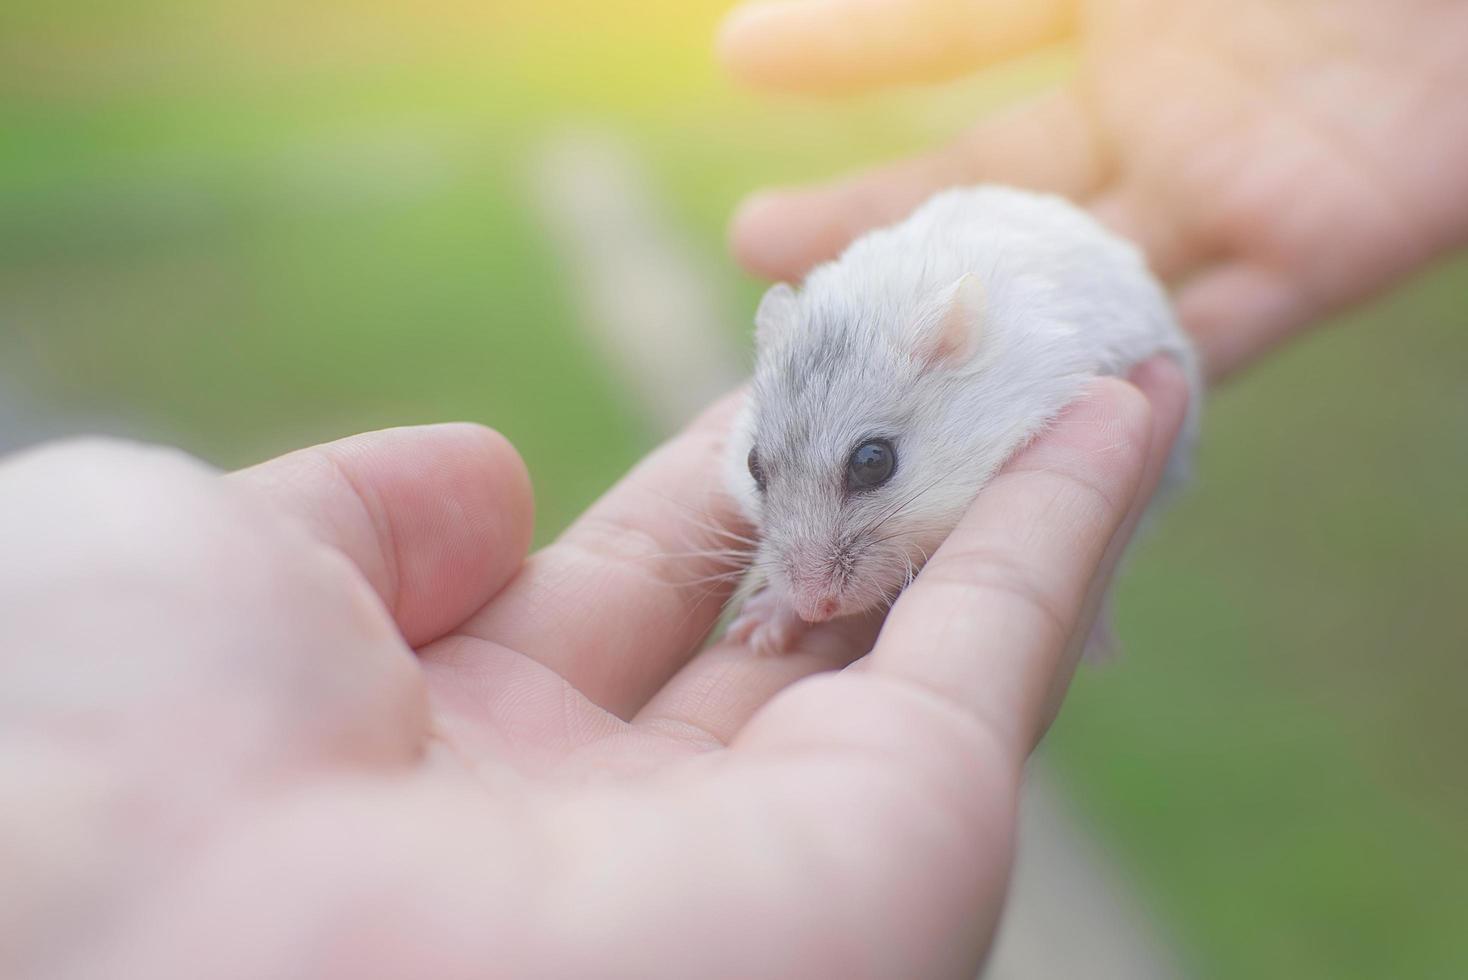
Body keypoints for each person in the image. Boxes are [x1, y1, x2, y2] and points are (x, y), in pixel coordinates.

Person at [1, 1, 1463, 977]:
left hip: (1083, 326)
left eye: (870, 474)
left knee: (1097, 483)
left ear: (956, 366)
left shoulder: (990, 349)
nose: (806, 563)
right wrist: (798, 552)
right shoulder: (823, 411)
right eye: (776, 485)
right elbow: (804, 480)